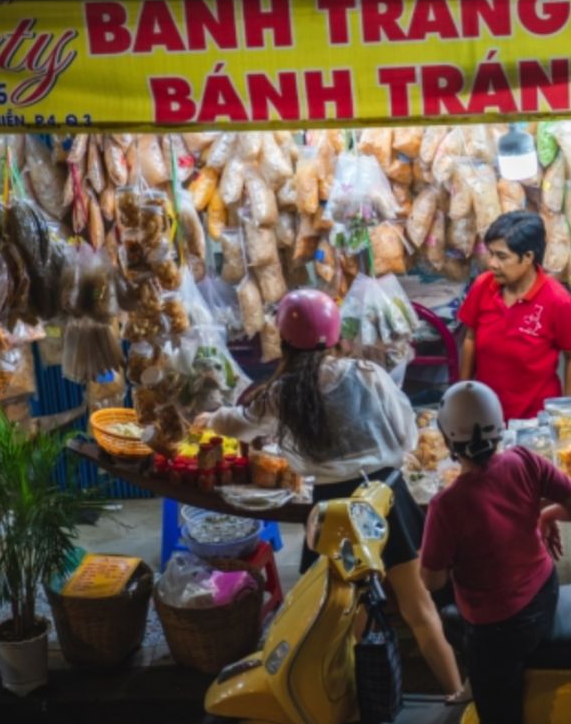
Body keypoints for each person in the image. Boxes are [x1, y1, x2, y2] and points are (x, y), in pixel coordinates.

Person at [194, 289, 463, 698]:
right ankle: (457, 695)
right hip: (386, 498)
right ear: (336, 335)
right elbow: (407, 432)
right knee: (420, 611)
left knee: (353, 621)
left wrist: (209, 420)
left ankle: (369, 707)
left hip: (334, 514)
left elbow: (240, 423)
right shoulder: (367, 374)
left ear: (283, 340)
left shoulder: (282, 392)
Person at [420, 381, 571, 724]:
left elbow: (432, 580)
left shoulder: (446, 505)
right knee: (460, 622)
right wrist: (546, 515)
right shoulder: (525, 460)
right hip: (545, 592)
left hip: (500, 629)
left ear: (446, 440)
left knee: (500, 719)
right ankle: (480, 678)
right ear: (501, 427)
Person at [459, 211, 571, 421]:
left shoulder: (558, 301)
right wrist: (463, 391)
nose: (492, 263)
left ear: (528, 257)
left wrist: (566, 412)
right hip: (486, 411)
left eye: (502, 256)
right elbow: (470, 338)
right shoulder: (483, 286)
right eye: (491, 254)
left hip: (534, 417)